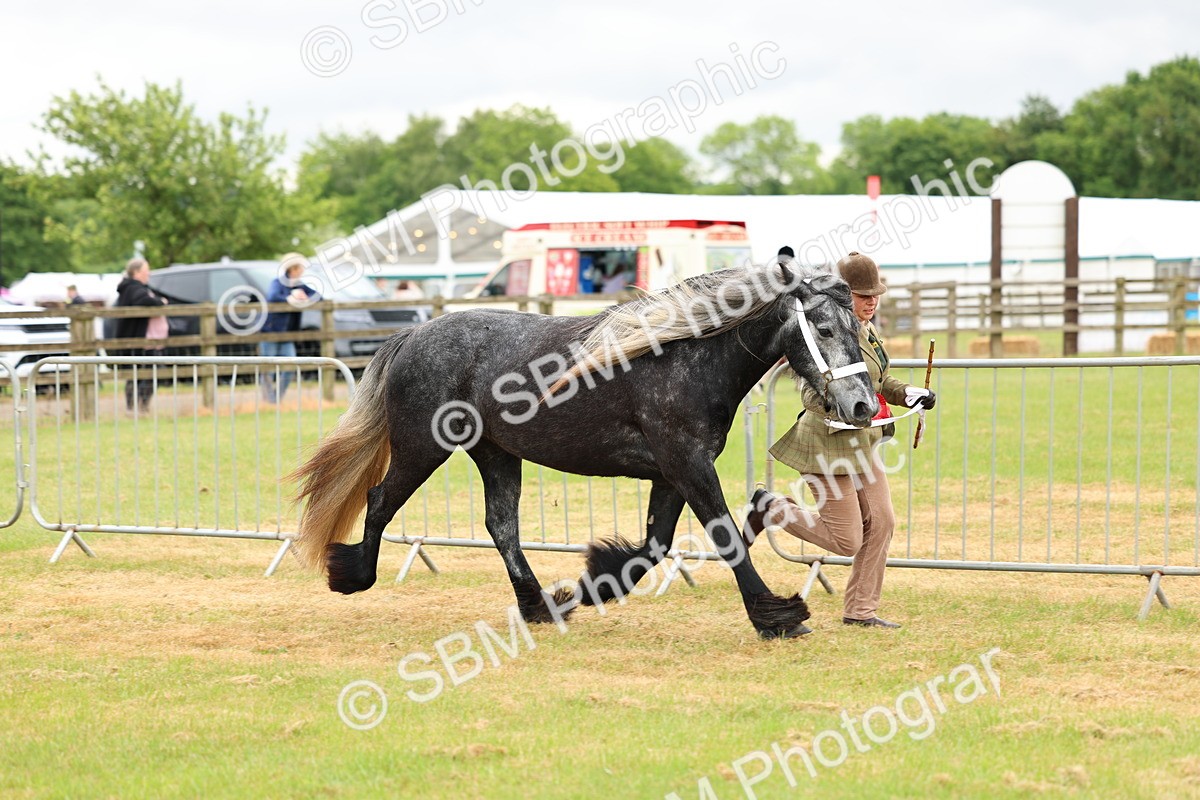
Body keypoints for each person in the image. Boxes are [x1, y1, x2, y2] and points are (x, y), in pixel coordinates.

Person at [742, 250, 936, 630]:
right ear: (843, 294)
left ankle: (861, 611)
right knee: (846, 540)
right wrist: (854, 410)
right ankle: (770, 508)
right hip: (825, 446)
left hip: (863, 444)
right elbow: (813, 395)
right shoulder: (823, 333)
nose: (872, 301)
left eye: (875, 293)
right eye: (863, 295)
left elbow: (878, 384)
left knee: (882, 523)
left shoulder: (870, 331)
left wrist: (908, 392)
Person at [260, 252, 320, 404]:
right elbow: (273, 297)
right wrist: (290, 298)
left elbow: (318, 295)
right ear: (294, 268)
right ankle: (269, 399)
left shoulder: (299, 285)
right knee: (269, 369)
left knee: (290, 367)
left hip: (288, 334)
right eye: (300, 267)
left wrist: (305, 297)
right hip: (272, 332)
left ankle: (276, 399)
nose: (303, 270)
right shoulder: (278, 283)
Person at [114, 258, 169, 412]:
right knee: (146, 373)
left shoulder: (133, 287)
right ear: (136, 272)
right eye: (146, 270)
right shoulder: (134, 288)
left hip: (145, 340)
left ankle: (136, 407)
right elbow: (143, 300)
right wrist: (160, 302)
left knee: (141, 373)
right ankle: (139, 407)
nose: (149, 273)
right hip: (142, 340)